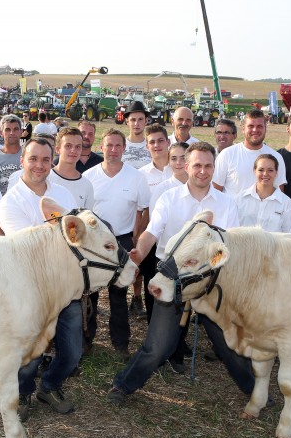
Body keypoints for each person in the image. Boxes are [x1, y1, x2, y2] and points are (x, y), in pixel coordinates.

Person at [107, 142, 255, 405]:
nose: (202, 171)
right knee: (158, 347)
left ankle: (255, 391)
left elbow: (231, 244)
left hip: (211, 281)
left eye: (208, 165)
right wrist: (138, 254)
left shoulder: (227, 203)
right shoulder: (168, 198)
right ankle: (122, 385)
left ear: (214, 168)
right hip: (172, 278)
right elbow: (151, 234)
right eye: (197, 165)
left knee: (229, 345)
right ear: (186, 167)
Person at [0, 138, 81, 421]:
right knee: (30, 353)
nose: (40, 165)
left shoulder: (65, 197)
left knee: (72, 352)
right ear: (22, 161)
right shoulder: (10, 202)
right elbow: (27, 249)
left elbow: (77, 242)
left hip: (64, 288)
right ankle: (23, 393)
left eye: (46, 160)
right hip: (29, 290)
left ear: (52, 161)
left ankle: (50, 386)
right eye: (33, 159)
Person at [83, 128, 150, 358]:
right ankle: (87, 338)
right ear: (101, 147)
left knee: (119, 293)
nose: (113, 150)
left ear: (124, 148)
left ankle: (120, 342)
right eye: (109, 145)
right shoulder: (89, 177)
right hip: (95, 242)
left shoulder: (136, 177)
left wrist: (136, 236)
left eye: (118, 146)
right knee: (90, 292)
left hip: (122, 239)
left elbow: (143, 210)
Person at [132, 123, 173, 320]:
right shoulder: (141, 175)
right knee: (151, 280)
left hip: (175, 238)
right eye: (152, 142)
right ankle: (152, 325)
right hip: (152, 238)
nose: (156, 145)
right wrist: (137, 237)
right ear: (147, 146)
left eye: (160, 141)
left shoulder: (180, 170)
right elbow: (141, 210)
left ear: (168, 142)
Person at [213, 109, 287, 198]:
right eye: (251, 126)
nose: (255, 130)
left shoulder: (276, 157)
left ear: (265, 129)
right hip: (234, 211)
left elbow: (279, 194)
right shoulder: (227, 155)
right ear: (243, 129)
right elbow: (216, 191)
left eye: (259, 126)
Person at [236, 154, 291, 233]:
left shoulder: (287, 204)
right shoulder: (239, 200)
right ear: (254, 171)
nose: (265, 174)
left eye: (270, 170)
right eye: (261, 170)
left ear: (276, 172)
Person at [50, 126, 95, 208]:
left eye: (78, 147)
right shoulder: (45, 179)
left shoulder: (86, 185)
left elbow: (87, 218)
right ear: (58, 149)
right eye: (68, 146)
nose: (73, 150)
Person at [120, 101, 151, 168]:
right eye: (133, 120)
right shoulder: (119, 146)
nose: (136, 123)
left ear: (146, 121)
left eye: (140, 119)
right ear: (127, 121)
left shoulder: (153, 146)